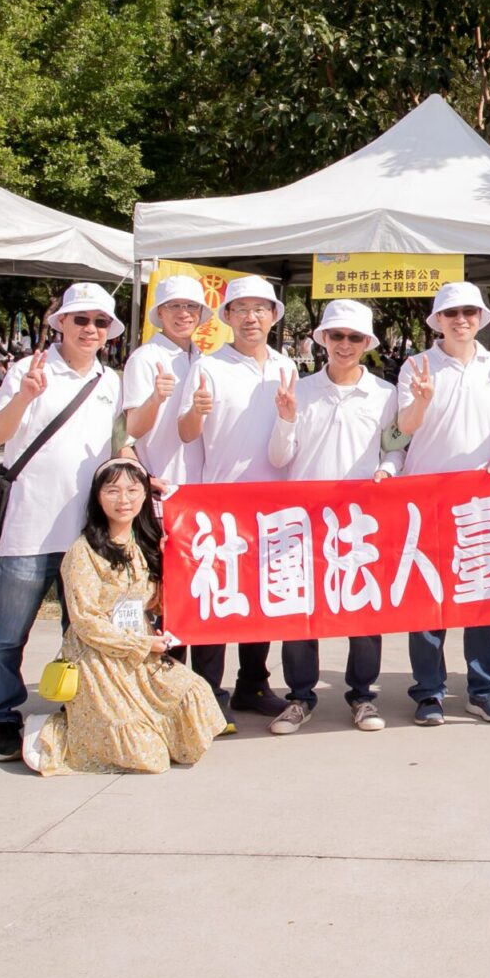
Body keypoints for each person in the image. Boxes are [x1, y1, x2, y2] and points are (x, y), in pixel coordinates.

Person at [0, 282, 125, 763]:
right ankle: (0, 714)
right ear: (59, 321)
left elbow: (117, 450)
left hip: (85, 535)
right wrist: (24, 396)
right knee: (8, 633)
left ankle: (74, 709)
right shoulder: (29, 369)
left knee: (79, 631)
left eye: (100, 322)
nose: (90, 329)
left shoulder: (112, 381)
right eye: (80, 319)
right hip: (28, 526)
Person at [20, 459, 227, 774]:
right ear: (98, 497)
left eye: (133, 490)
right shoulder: (83, 550)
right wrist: (142, 644)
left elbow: (159, 605)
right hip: (98, 654)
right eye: (113, 490)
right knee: (148, 759)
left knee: (195, 695)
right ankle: (52, 733)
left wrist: (171, 560)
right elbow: (85, 621)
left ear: (145, 496)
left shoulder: (146, 545)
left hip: (142, 652)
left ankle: (147, 729)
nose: (123, 499)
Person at [265, 299, 402, 735]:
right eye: (337, 336)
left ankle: (362, 695)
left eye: (354, 337)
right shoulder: (300, 390)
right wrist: (286, 419)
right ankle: (300, 697)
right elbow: (279, 457)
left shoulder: (384, 393)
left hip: (361, 520)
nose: (345, 345)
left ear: (367, 343)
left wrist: (388, 469)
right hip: (304, 521)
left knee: (362, 611)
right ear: (322, 339)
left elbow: (395, 446)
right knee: (301, 611)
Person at [397, 281, 490, 725]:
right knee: (428, 600)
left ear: (481, 318)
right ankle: (429, 691)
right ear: (437, 321)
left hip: (481, 500)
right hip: (427, 498)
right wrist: (422, 400)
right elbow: (402, 428)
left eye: (469, 312)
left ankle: (485, 689)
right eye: (452, 313)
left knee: (481, 599)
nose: (461, 320)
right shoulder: (416, 365)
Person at [178, 275, 297, 719]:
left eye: (260, 308)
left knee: (259, 599)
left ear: (272, 316)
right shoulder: (208, 366)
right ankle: (208, 694)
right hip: (218, 504)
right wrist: (196, 412)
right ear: (227, 317)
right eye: (241, 309)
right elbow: (186, 433)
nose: (251, 317)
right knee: (216, 599)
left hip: (271, 504)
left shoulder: (287, 366)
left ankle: (253, 684)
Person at [122, 274, 208, 488]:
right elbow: (133, 429)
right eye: (174, 305)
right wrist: (155, 399)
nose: (184, 313)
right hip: (161, 481)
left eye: (191, 305)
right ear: (160, 312)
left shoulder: (204, 360)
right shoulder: (145, 358)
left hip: (201, 485)